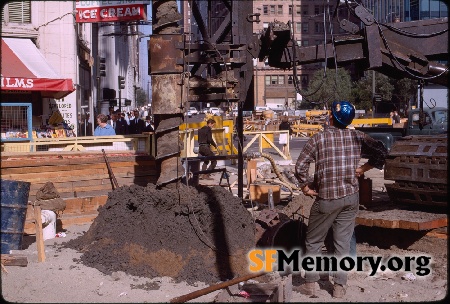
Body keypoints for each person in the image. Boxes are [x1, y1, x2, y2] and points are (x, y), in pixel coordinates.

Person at [294, 100, 387, 298]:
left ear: (330, 118)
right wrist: (362, 169)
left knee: (313, 241)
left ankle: (310, 283)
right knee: (342, 243)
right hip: (350, 198)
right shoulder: (357, 136)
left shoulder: (318, 138)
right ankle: (339, 287)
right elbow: (381, 151)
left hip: (326, 198)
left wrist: (305, 187)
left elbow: (300, 165)